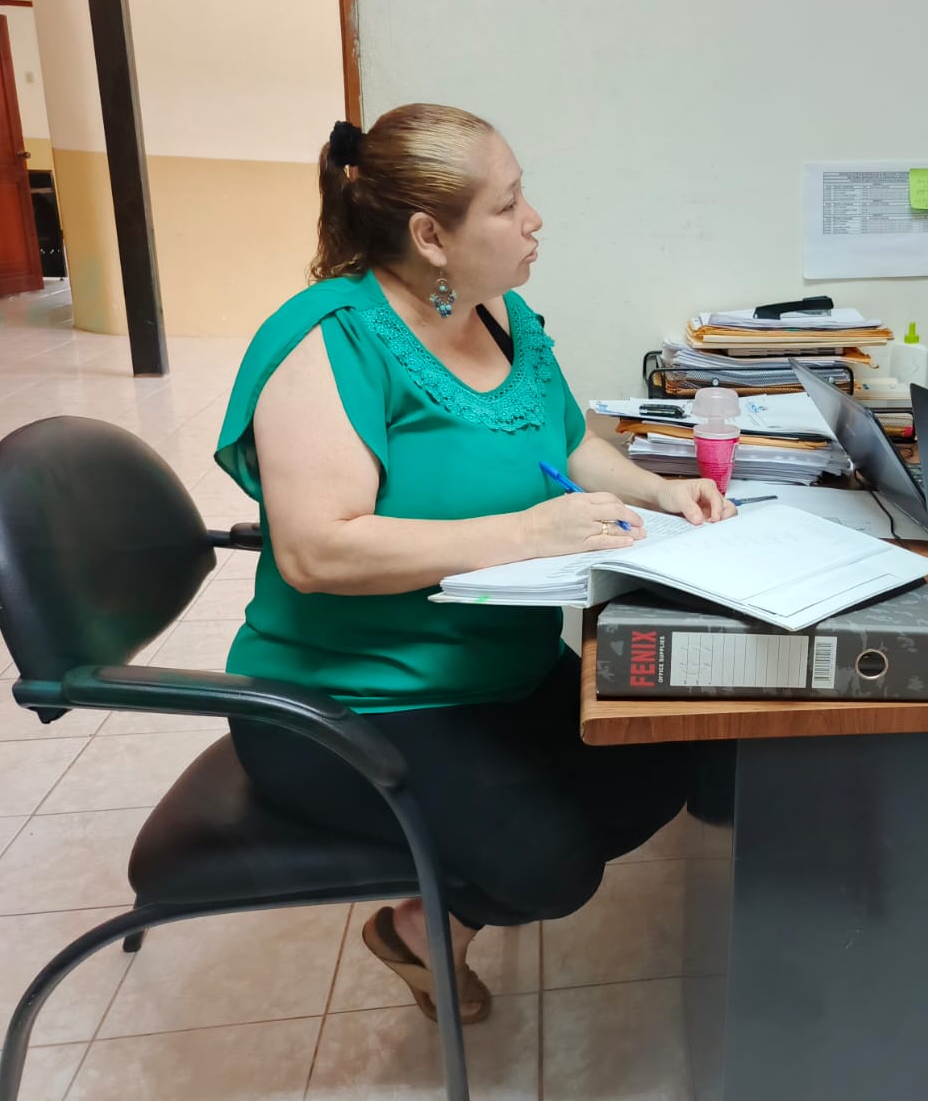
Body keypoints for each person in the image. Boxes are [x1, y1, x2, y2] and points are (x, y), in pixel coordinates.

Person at [215, 103, 735, 1023]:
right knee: (550, 865)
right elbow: (315, 549)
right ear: (431, 236)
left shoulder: (502, 317)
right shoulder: (328, 340)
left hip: (501, 672)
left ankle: (430, 923)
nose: (534, 220)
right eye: (508, 204)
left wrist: (662, 491)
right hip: (349, 702)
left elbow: (569, 445)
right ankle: (429, 924)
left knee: (679, 752)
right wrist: (528, 533)